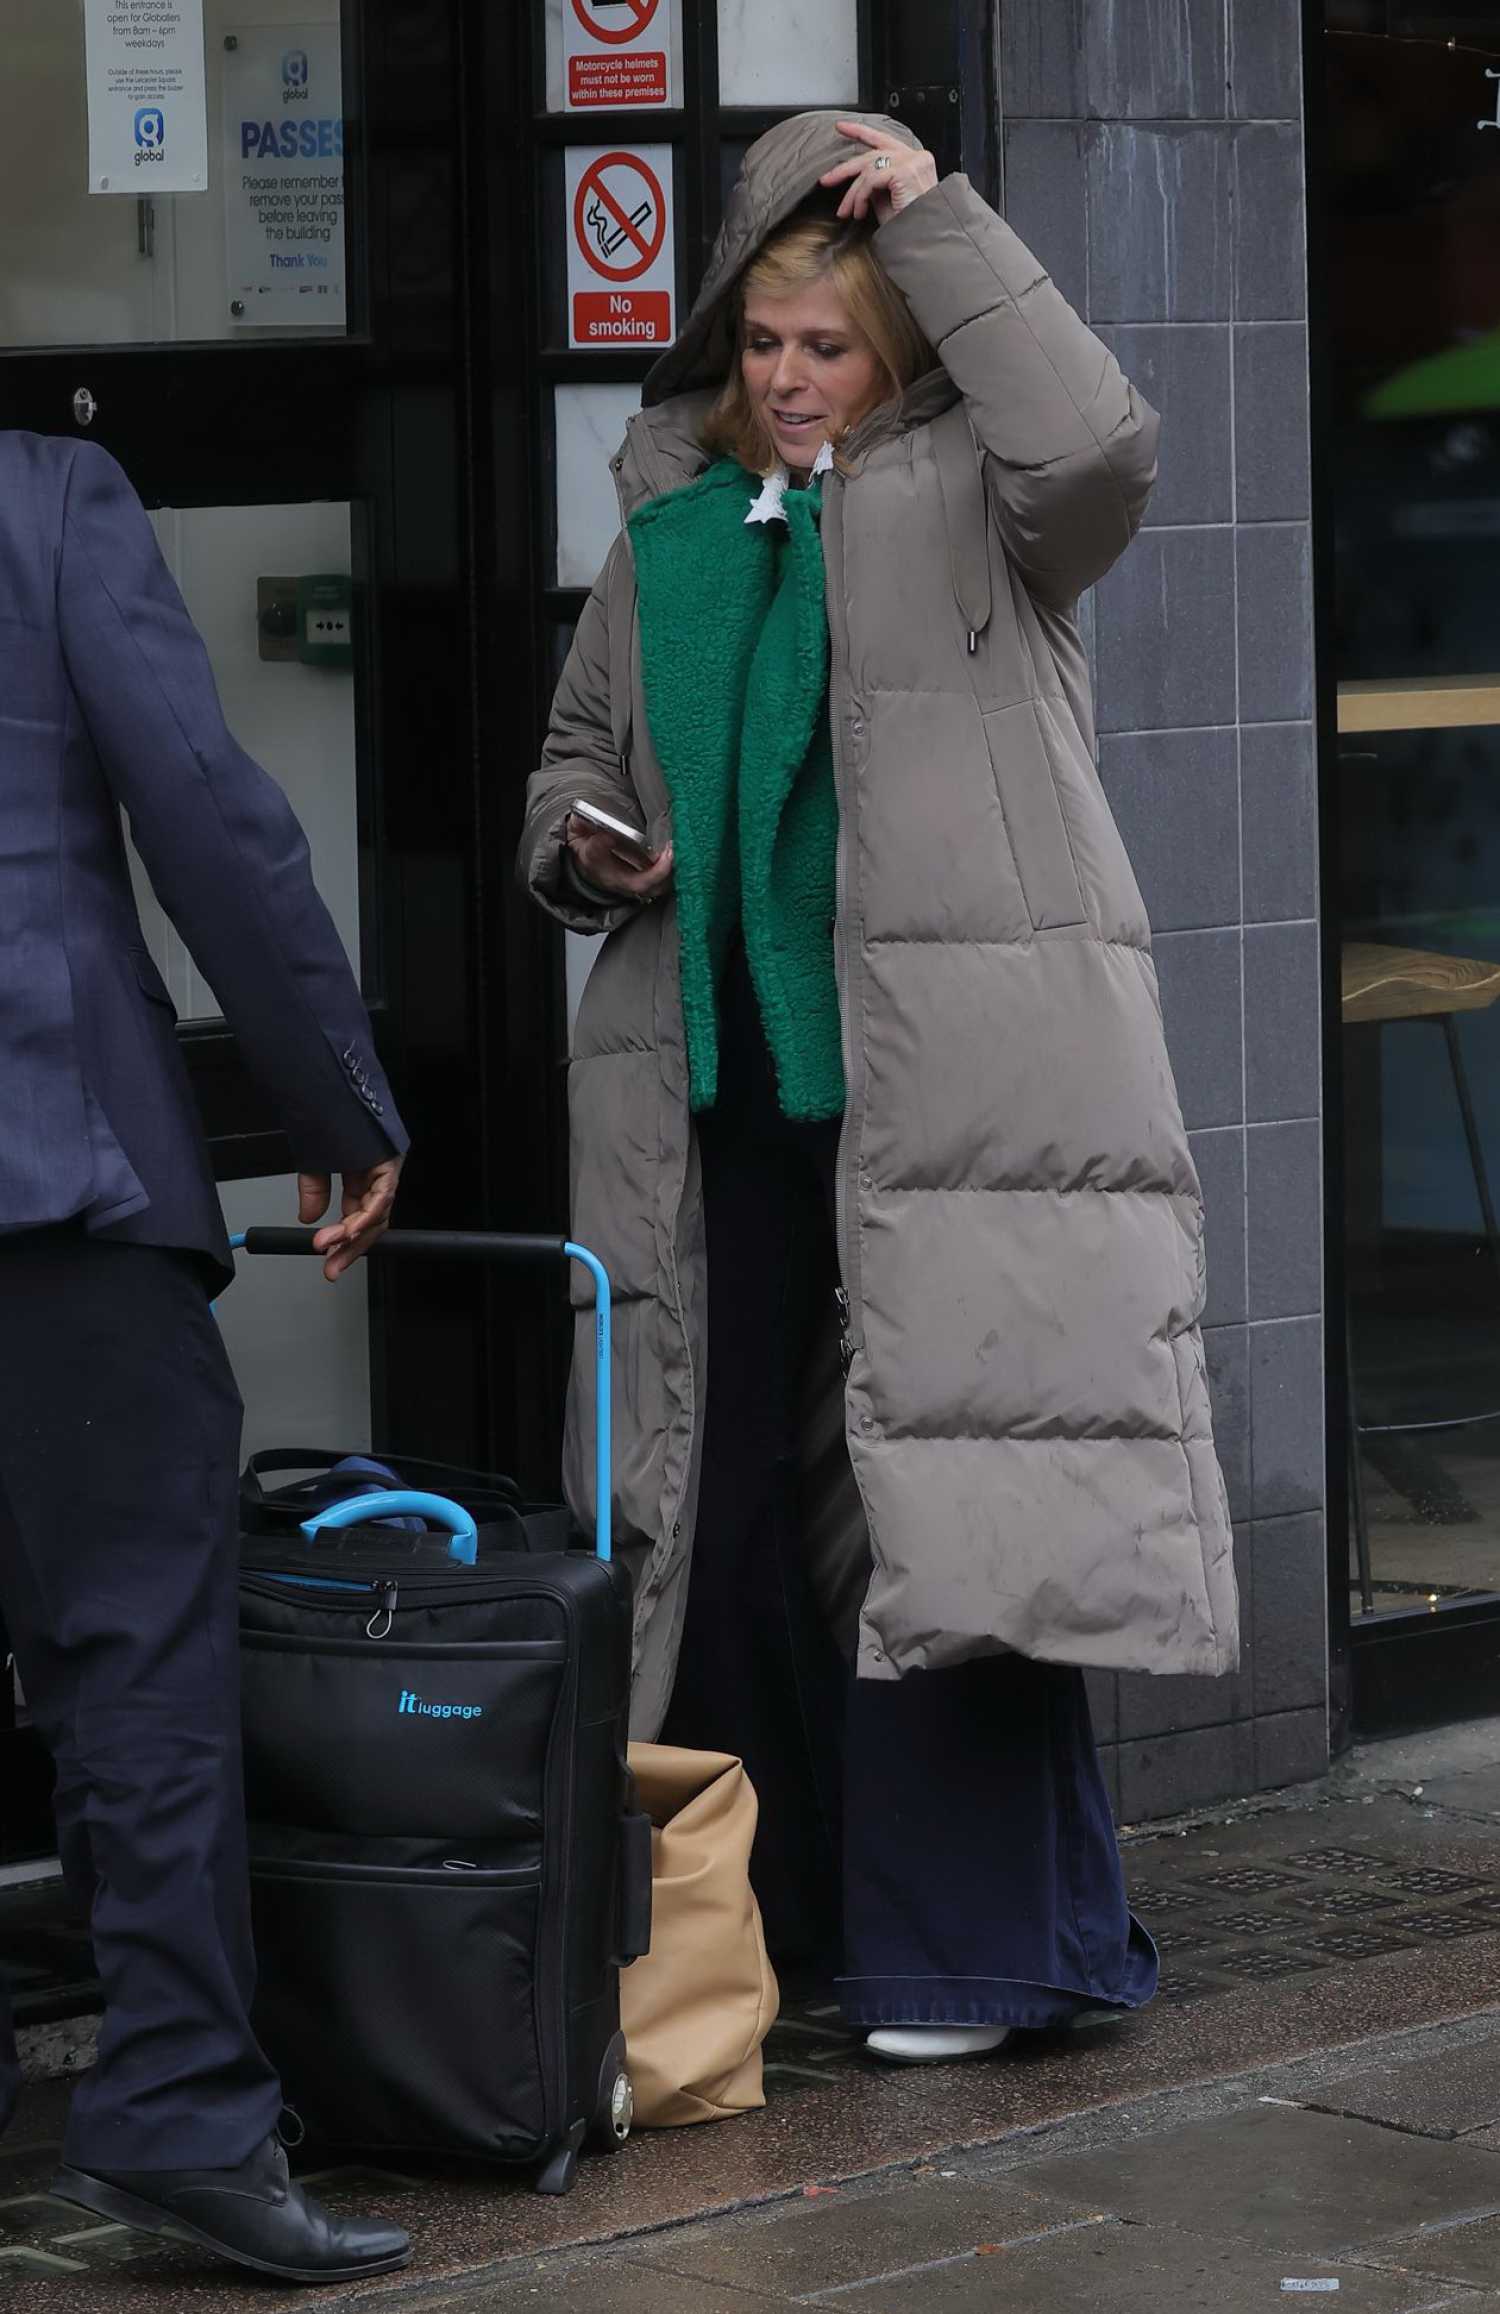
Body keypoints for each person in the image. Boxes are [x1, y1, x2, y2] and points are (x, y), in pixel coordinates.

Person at [521, 113, 1239, 2064]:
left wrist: (942, 221)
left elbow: (1100, 442)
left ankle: (975, 1957)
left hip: (961, 1102)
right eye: (763, 342)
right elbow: (579, 747)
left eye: (829, 344)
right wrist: (578, 844)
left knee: (952, 1515)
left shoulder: (987, 505)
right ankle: (767, 1929)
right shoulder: (672, 512)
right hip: (723, 1097)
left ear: (904, 351)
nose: (786, 377)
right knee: (726, 1506)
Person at [0, 431, 412, 2280]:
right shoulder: (47, 500)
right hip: (55, 1167)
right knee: (138, 1649)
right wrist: (326, 1083)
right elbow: (201, 805)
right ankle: (176, 2108)